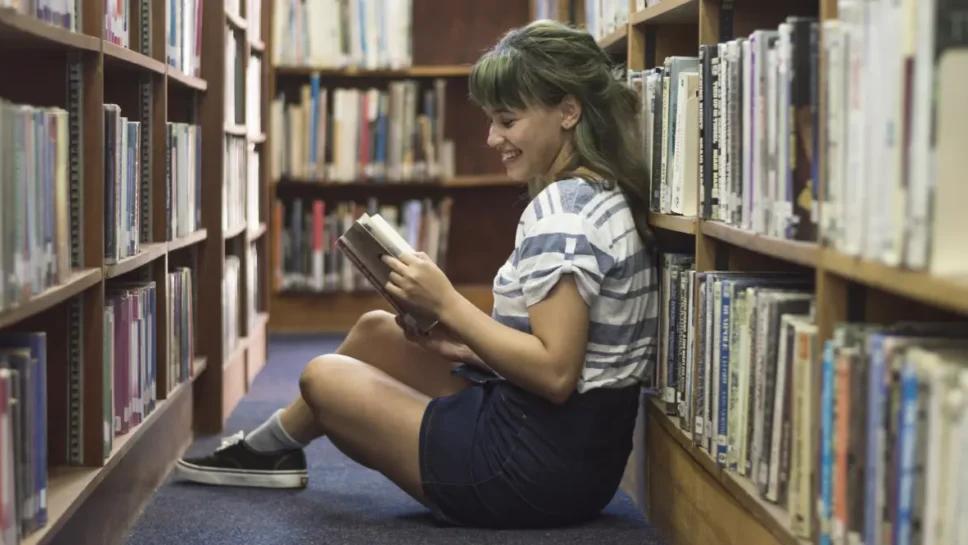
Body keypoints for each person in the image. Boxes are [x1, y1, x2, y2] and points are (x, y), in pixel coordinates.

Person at [174, 18, 658, 529]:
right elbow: (579, 367)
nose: (493, 138)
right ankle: (269, 450)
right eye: (492, 120)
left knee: (322, 376)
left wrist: (448, 304)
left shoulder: (561, 212)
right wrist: (464, 344)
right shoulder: (600, 192)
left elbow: (556, 374)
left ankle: (266, 448)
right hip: (582, 458)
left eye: (508, 121)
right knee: (376, 333)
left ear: (568, 111)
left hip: (530, 469)